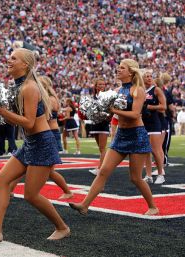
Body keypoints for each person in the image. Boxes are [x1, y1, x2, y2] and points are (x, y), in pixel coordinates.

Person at [0, 48, 70, 246]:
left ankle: (62, 227)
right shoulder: (18, 86)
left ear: (25, 64)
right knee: (1, 179)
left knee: (31, 195)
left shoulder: (29, 87)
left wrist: (1, 111)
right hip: (30, 143)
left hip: (42, 142)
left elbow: (28, 122)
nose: (9, 60)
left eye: (13, 58)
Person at [69, 59, 159, 216]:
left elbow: (135, 114)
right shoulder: (117, 91)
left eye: (121, 68)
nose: (118, 70)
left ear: (130, 72)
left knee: (135, 178)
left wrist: (112, 110)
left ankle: (153, 206)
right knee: (103, 171)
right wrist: (98, 112)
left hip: (137, 135)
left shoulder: (138, 90)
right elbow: (111, 113)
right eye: (118, 67)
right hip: (121, 135)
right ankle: (84, 205)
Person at [141, 70, 166, 184]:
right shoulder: (140, 90)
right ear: (142, 78)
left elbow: (163, 106)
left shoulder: (156, 89)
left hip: (155, 122)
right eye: (147, 76)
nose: (149, 78)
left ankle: (161, 174)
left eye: (151, 76)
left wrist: (150, 106)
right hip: (143, 123)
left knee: (155, 150)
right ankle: (149, 175)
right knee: (146, 150)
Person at [88, 78, 111, 176]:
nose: (102, 86)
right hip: (95, 124)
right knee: (100, 148)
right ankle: (103, 167)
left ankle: (100, 169)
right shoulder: (93, 97)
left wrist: (107, 118)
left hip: (103, 124)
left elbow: (111, 111)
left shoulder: (107, 97)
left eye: (103, 84)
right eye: (100, 84)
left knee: (102, 148)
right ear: (96, 86)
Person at [160, 73, 175, 167]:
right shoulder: (166, 92)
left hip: (159, 118)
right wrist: (173, 114)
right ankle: (164, 160)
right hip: (166, 118)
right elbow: (171, 107)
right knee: (166, 140)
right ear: (167, 81)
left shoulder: (158, 90)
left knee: (160, 140)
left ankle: (160, 159)